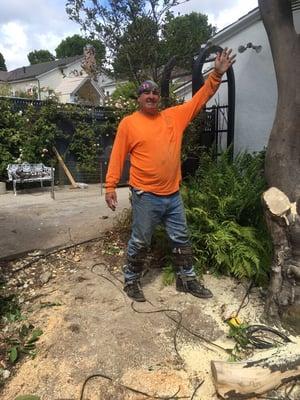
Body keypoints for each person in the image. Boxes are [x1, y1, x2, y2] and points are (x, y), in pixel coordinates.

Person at [105, 48, 236, 302]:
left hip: (172, 194)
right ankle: (131, 281)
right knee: (141, 240)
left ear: (159, 98)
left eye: (155, 92)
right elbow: (117, 156)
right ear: (139, 98)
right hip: (145, 195)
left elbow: (199, 99)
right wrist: (110, 186)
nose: (151, 96)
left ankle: (186, 279)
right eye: (146, 93)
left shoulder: (173, 117)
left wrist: (217, 74)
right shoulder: (129, 123)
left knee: (181, 238)